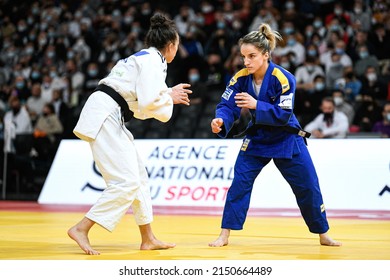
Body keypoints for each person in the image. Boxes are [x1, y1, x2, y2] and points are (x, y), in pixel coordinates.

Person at [67, 13, 192, 255]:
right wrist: (169, 97)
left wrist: (167, 93)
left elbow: (140, 103)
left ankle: (148, 238)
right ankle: (82, 227)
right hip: (106, 115)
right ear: (170, 46)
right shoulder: (155, 61)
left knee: (139, 178)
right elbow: (147, 103)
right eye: (177, 45)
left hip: (109, 113)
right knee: (126, 182)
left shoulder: (142, 58)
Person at [209, 23, 341, 248]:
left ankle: (322, 233)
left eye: (252, 56)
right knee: (239, 184)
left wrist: (255, 104)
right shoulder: (240, 78)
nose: (246, 62)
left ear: (266, 54)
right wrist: (220, 120)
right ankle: (224, 234)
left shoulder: (284, 77)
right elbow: (227, 104)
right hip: (258, 138)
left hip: (287, 138)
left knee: (308, 186)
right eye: (243, 57)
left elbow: (283, 114)